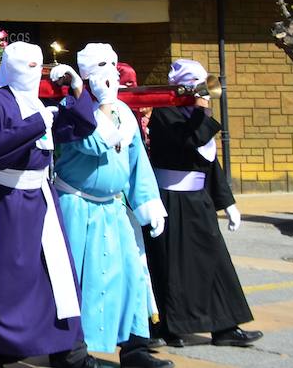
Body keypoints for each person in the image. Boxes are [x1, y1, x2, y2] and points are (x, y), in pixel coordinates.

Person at [0, 42, 100, 368]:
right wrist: (37, 123)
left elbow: (82, 125)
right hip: (5, 207)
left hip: (41, 202)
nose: (31, 70)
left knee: (56, 281)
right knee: (3, 287)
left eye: (35, 64)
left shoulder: (40, 102)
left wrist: (77, 88)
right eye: (24, 64)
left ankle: (70, 355)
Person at [51, 45, 171, 368]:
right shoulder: (71, 109)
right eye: (103, 66)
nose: (112, 72)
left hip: (114, 210)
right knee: (76, 282)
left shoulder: (124, 113)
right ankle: (70, 354)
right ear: (86, 74)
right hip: (78, 208)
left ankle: (135, 351)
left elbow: (136, 160)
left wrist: (148, 202)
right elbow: (92, 143)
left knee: (131, 277)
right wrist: (101, 104)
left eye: (115, 65)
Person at [144, 60, 261, 349]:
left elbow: (209, 164)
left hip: (198, 200)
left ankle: (225, 326)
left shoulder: (194, 114)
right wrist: (204, 111)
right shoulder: (165, 113)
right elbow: (192, 139)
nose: (201, 87)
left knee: (216, 261)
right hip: (170, 200)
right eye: (193, 81)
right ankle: (169, 328)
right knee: (171, 267)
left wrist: (228, 203)